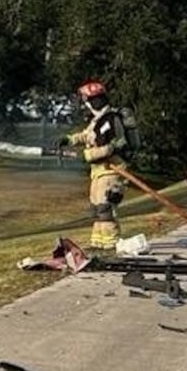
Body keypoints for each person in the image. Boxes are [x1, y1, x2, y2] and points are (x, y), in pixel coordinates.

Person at [57, 80, 130, 250]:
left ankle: (111, 242)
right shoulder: (98, 120)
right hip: (98, 173)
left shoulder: (111, 120)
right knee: (96, 209)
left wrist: (88, 155)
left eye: (87, 101)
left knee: (106, 208)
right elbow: (86, 136)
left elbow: (111, 147)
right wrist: (69, 139)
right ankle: (99, 242)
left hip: (111, 171)